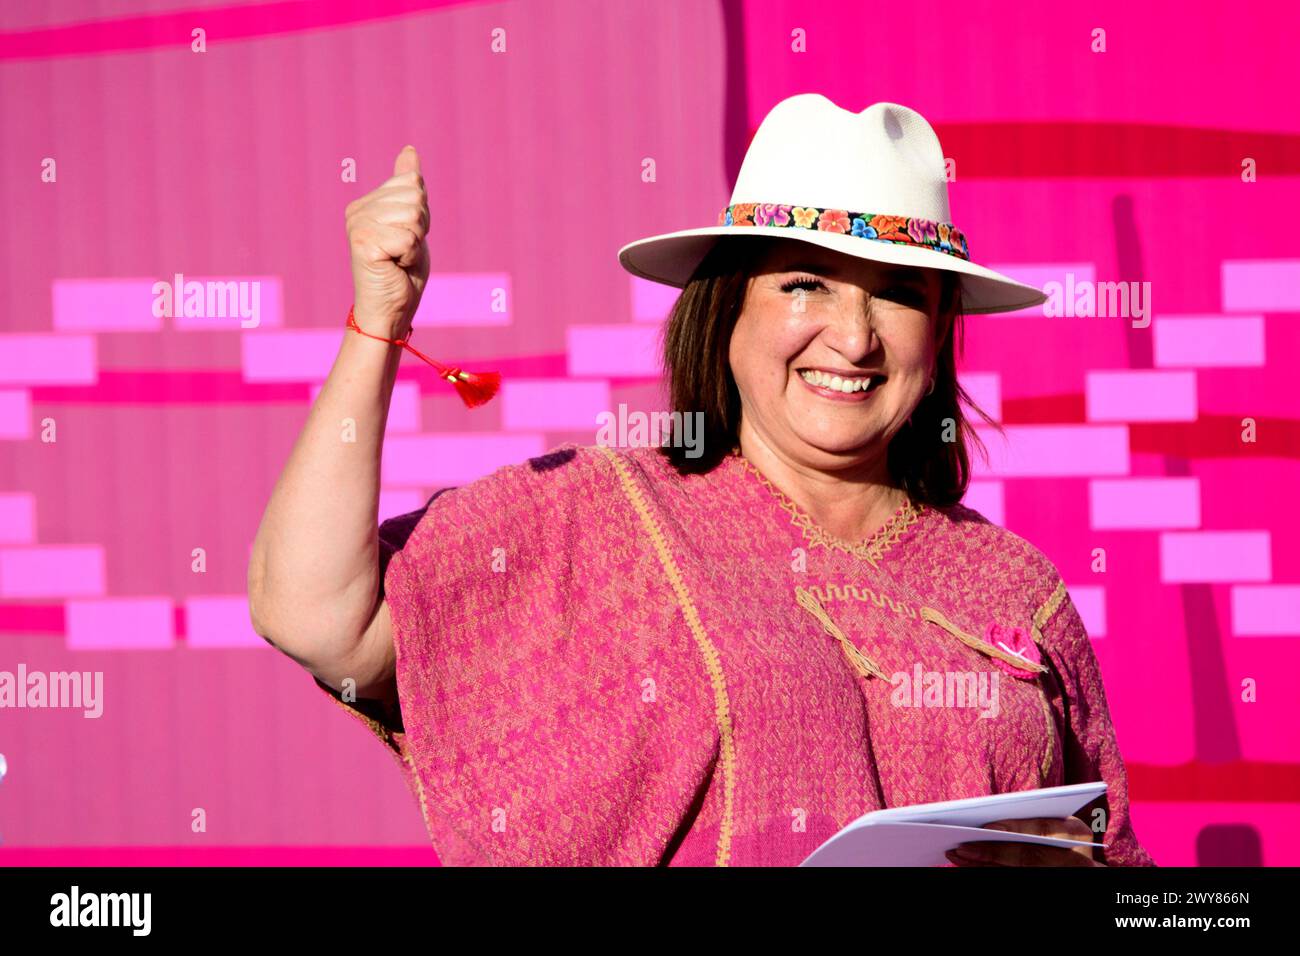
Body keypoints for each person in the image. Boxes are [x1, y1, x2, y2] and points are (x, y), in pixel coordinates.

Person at [247, 94, 1154, 867]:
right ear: (726, 307)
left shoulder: (1017, 589)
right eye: (806, 284)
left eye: (897, 292)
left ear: (940, 325)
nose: (854, 335)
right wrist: (377, 325)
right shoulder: (601, 515)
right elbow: (317, 616)